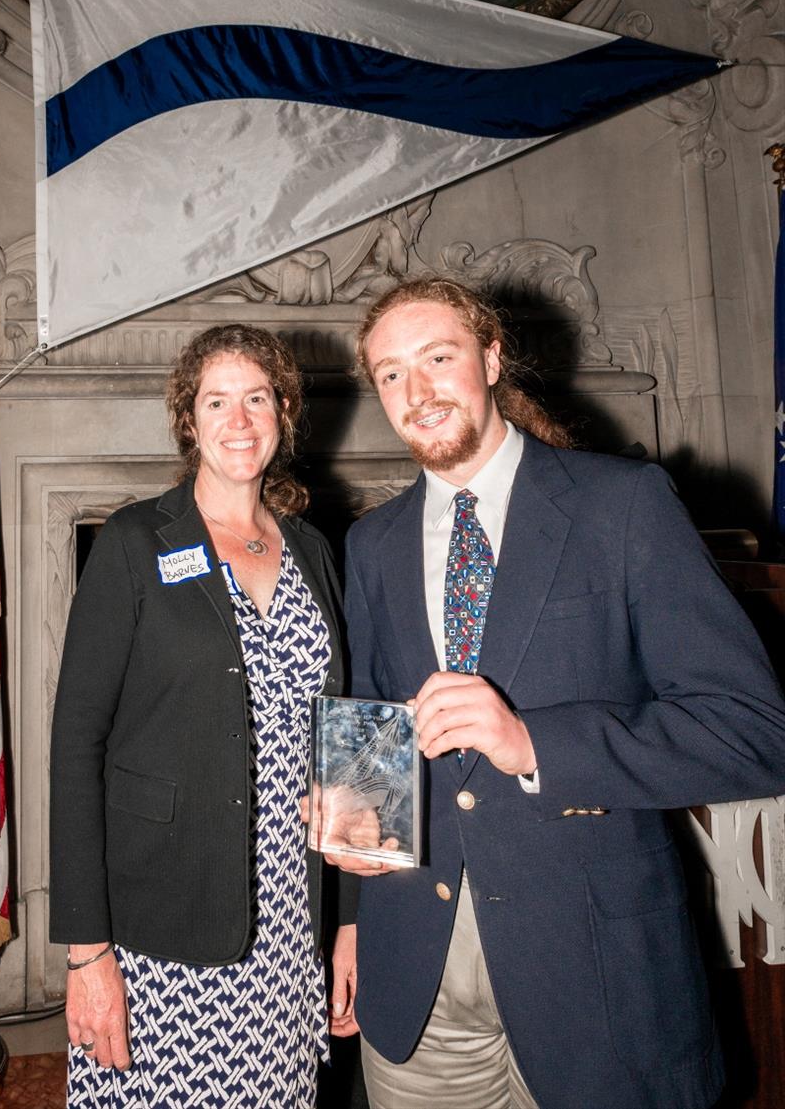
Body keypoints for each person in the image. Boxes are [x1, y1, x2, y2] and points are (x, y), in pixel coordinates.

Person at [330, 277, 785, 1109]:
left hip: (595, 980)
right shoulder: (371, 543)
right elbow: (371, 734)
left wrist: (538, 745)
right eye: (391, 373)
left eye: (438, 357)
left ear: (492, 356)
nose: (417, 391)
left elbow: (755, 729)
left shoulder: (623, 504)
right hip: (416, 980)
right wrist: (355, 898)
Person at [50, 324, 355, 1109]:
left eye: (257, 398)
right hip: (159, 926)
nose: (239, 419)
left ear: (284, 411)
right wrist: (87, 953)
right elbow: (76, 742)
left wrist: (348, 921)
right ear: (189, 420)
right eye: (217, 401)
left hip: (288, 920)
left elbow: (343, 737)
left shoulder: (315, 550)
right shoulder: (134, 541)